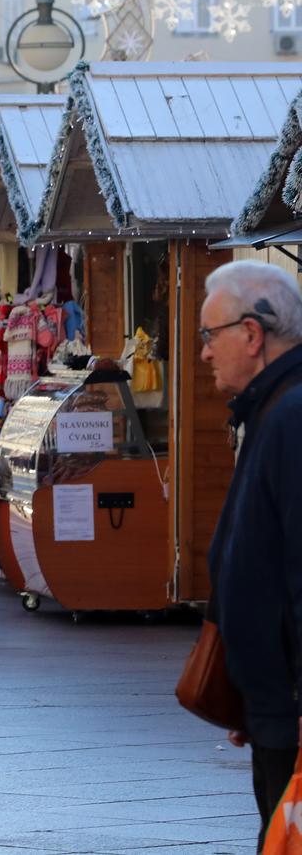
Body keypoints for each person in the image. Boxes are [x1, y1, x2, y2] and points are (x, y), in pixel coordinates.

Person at [198, 260, 302, 848]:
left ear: (252, 334)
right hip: (273, 704)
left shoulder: (292, 414)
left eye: (211, 336)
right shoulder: (271, 409)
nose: (206, 353)